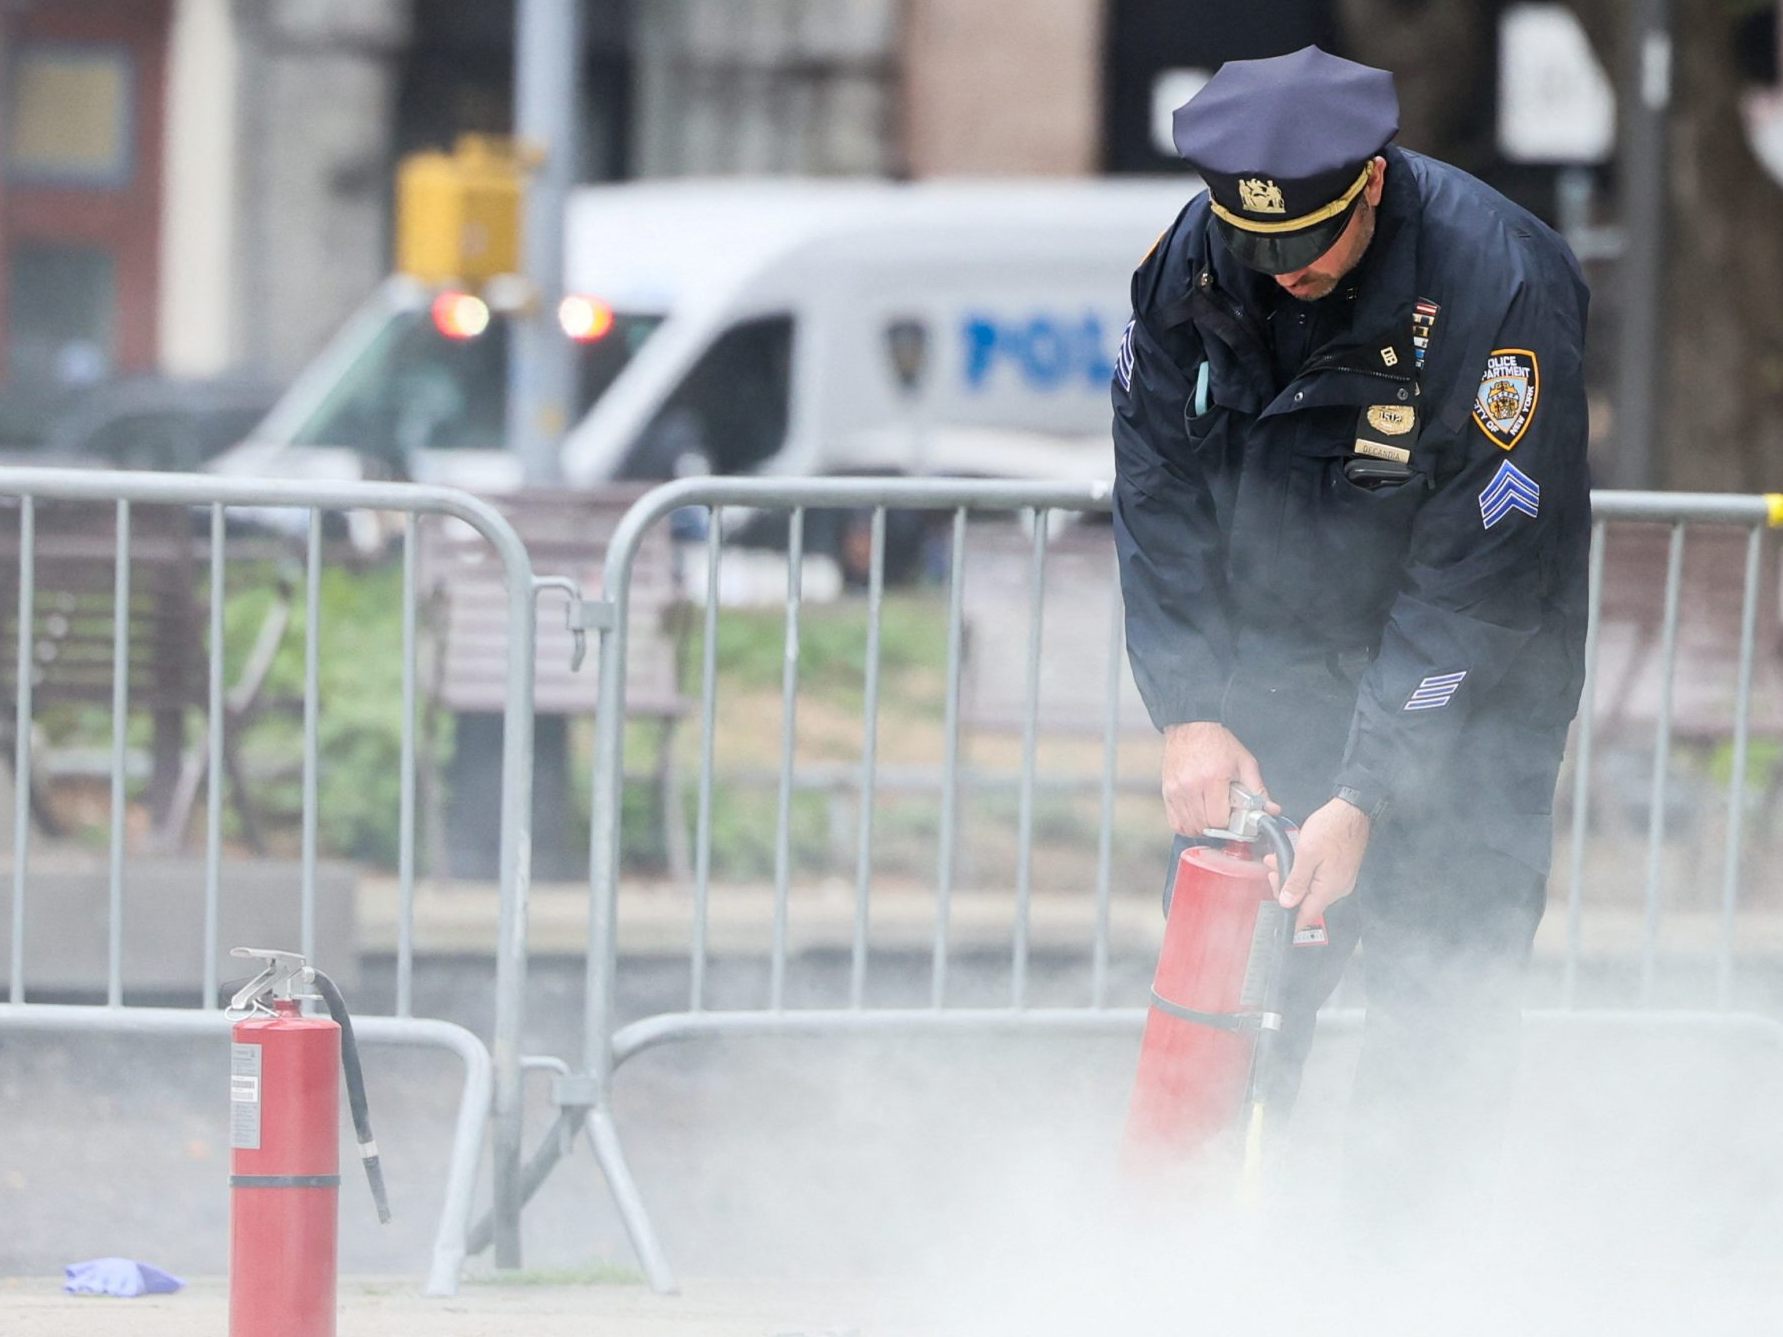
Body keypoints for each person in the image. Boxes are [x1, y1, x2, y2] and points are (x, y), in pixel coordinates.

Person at [1111, 45, 1590, 1233]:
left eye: (1312, 241)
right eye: (1258, 243)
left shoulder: (1500, 283)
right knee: (1229, 999)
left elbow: (1481, 568)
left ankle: (1399, 1277)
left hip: (1473, 692)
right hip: (1277, 675)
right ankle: (1186, 1268)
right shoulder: (1194, 258)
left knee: (1441, 1014)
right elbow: (1157, 487)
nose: (1286, 271)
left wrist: (1369, 785)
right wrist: (1190, 706)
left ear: (1371, 182)